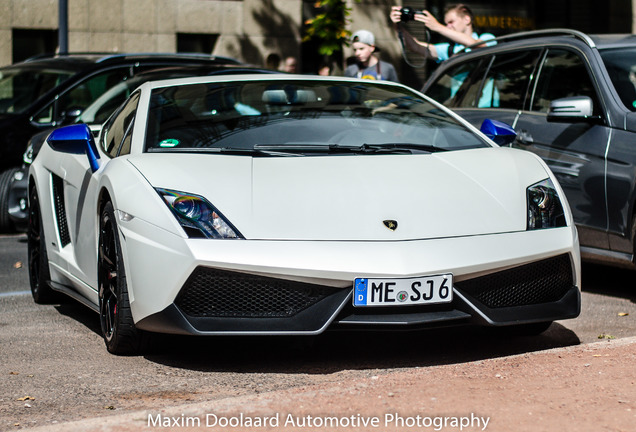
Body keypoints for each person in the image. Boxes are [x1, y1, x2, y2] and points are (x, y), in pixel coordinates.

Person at [390, 4, 495, 63]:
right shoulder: (450, 49)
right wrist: (398, 27)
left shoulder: (487, 38)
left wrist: (437, 26)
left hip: (487, 102)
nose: (448, 27)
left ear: (467, 19)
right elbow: (415, 47)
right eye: (446, 24)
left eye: (451, 22)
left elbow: (477, 45)